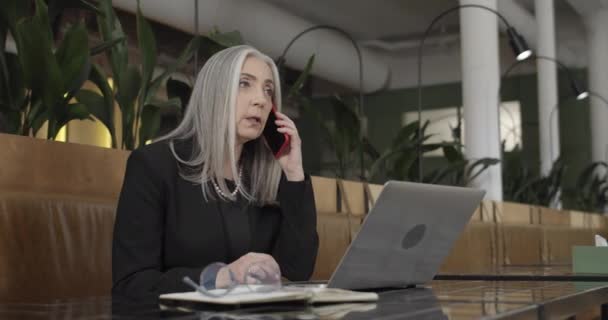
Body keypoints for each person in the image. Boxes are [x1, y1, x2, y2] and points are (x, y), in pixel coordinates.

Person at [112, 45, 319, 297]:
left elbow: (298, 271)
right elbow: (131, 285)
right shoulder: (153, 165)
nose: (261, 100)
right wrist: (222, 277)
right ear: (213, 94)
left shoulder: (265, 180)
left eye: (268, 90)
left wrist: (294, 173)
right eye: (245, 84)